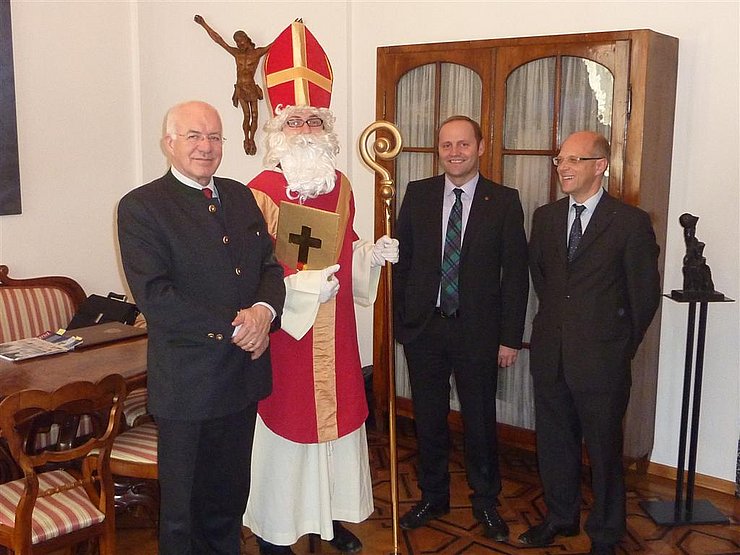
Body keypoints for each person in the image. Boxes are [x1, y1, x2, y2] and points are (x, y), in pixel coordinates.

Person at [242, 21, 398, 555]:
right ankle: (277, 529)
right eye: (296, 119)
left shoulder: (344, 186)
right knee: (288, 433)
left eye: (314, 119)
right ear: (279, 127)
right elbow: (252, 268)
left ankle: (331, 519)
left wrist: (368, 256)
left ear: (326, 127)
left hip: (336, 333)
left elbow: (345, 246)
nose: (306, 127)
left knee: (339, 430)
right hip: (289, 333)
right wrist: (306, 287)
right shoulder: (260, 192)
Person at [117, 100, 285, 555]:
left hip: (242, 376)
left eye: (214, 137)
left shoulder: (239, 195)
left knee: (228, 500)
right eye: (194, 136)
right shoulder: (141, 206)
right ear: (169, 142)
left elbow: (269, 266)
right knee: (182, 513)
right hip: (189, 384)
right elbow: (156, 295)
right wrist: (235, 325)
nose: (205, 147)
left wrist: (265, 312)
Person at [521, 131, 660, 555]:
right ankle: (560, 518)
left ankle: (605, 532)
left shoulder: (629, 223)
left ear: (600, 165)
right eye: (559, 159)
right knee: (555, 445)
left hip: (602, 360)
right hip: (550, 355)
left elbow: (644, 297)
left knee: (603, 452)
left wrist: (618, 347)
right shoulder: (545, 218)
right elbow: (543, 280)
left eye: (574, 160)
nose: (563, 167)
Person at [393, 115, 529, 541]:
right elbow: (404, 262)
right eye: (447, 145)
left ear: (481, 147)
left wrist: (509, 338)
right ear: (439, 150)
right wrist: (403, 321)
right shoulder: (418, 195)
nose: (455, 152)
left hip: (478, 334)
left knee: (479, 421)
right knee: (428, 419)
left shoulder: (504, 201)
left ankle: (485, 501)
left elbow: (516, 276)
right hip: (425, 331)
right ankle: (433, 496)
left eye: (463, 144)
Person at [194, 14, 271, 156]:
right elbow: (219, 40)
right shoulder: (236, 54)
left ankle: (252, 139)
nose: (240, 44)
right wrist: (204, 24)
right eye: (237, 42)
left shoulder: (257, 53)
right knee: (246, 116)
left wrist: (293, 28)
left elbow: (274, 45)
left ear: (247, 39)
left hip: (251, 87)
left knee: (255, 115)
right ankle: (246, 139)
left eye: (241, 41)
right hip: (241, 88)